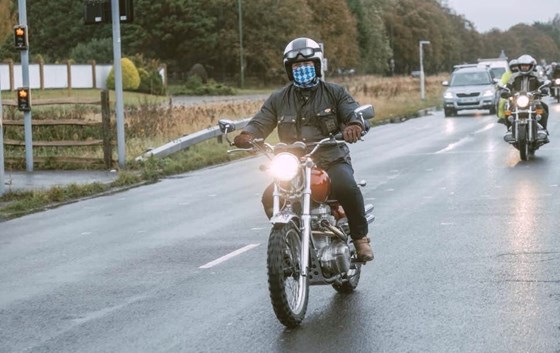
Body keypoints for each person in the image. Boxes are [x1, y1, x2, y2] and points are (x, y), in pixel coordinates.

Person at [233, 37, 374, 262]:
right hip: (293, 163)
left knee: (347, 186)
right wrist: (248, 135)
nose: (302, 70)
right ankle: (287, 243)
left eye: (307, 66)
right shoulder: (279, 98)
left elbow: (352, 112)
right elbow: (261, 121)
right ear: (289, 70)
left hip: (330, 159)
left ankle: (360, 239)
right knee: (269, 197)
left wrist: (355, 125)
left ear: (316, 66)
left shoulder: (334, 93)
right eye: (297, 67)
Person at [501, 54, 549, 143]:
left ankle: (543, 130)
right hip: (517, 101)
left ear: (531, 66)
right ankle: (510, 130)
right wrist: (505, 91)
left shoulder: (536, 75)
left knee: (544, 109)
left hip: (534, 100)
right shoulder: (514, 76)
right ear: (519, 66)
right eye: (522, 65)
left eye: (526, 65)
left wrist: (544, 89)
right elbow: (508, 86)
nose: (524, 67)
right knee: (508, 112)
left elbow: (542, 84)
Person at [496, 59, 518, 124]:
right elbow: (502, 81)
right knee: (502, 102)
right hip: (510, 94)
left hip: (522, 94)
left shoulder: (522, 74)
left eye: (516, 66)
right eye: (513, 67)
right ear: (510, 67)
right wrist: (500, 85)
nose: (515, 68)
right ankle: (502, 117)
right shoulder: (507, 74)